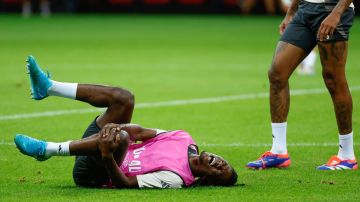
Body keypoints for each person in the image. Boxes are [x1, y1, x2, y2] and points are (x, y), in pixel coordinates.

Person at [14, 56, 238, 188]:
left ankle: (48, 150)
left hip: (96, 171)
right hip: (104, 142)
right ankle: (50, 87)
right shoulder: (183, 138)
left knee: (120, 138)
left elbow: (126, 184)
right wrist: (116, 127)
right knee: (124, 99)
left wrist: (107, 155)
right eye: (225, 164)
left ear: (209, 179)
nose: (220, 164)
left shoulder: (178, 177)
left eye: (220, 172)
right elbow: (140, 133)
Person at [247, 0, 357, 170]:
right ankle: (278, 152)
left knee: (333, 79)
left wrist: (337, 13)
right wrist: (292, 11)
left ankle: (347, 155)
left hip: (333, 8)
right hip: (305, 9)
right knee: (277, 74)